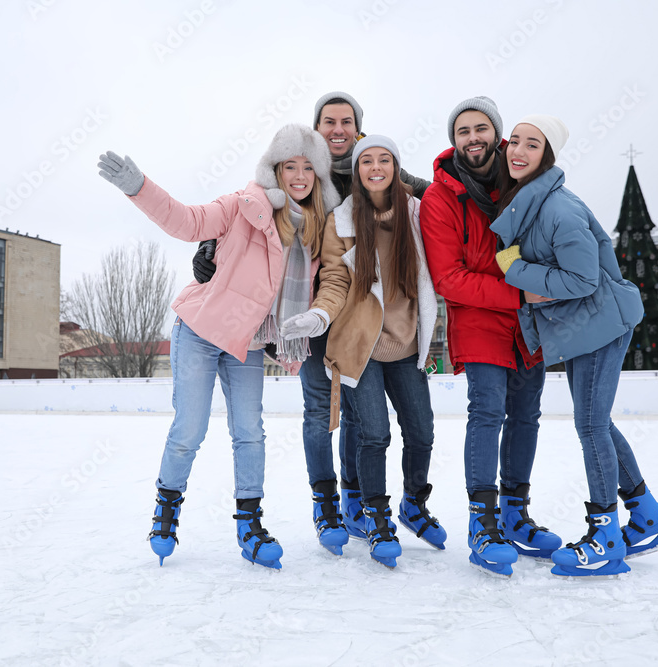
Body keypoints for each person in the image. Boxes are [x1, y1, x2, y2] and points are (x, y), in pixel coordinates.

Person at [193, 92, 433, 555]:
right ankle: (326, 504)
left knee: (362, 421)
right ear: (317, 128)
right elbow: (246, 211)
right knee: (322, 414)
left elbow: (438, 189)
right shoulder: (302, 172)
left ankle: (355, 500)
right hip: (309, 312)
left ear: (359, 129)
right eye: (329, 121)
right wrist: (208, 246)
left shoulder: (377, 167)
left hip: (363, 321)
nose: (338, 129)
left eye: (347, 121)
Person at [97, 124, 340, 570]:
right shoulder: (243, 205)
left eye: (309, 167)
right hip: (200, 330)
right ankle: (166, 511)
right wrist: (139, 187)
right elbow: (187, 221)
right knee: (190, 429)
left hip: (248, 342)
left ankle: (250, 524)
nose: (300, 175)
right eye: (291, 166)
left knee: (250, 431)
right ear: (275, 169)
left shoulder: (316, 232)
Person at [490, 115, 658, 577]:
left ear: (547, 156)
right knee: (597, 422)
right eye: (514, 141)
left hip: (601, 325)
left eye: (531, 145)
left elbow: (581, 278)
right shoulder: (531, 203)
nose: (518, 150)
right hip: (584, 329)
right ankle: (647, 515)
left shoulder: (559, 208)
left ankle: (605, 537)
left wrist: (514, 270)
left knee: (591, 425)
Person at [281, 135, 445, 569]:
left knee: (423, 432)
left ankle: (414, 502)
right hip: (362, 344)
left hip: (406, 343)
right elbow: (335, 278)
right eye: (366, 160)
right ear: (356, 170)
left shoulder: (416, 211)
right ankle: (377, 516)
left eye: (384, 159)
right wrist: (318, 315)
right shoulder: (343, 219)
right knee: (374, 434)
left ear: (395, 166)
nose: (375, 167)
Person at [419, 97, 561, 578]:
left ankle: (515, 515)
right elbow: (449, 278)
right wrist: (521, 295)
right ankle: (482, 523)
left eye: (481, 129)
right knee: (487, 413)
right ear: (453, 139)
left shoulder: (521, 177)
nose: (472, 138)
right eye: (463, 131)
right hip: (481, 318)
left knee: (527, 417)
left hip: (529, 324)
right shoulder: (441, 199)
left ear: (495, 133)